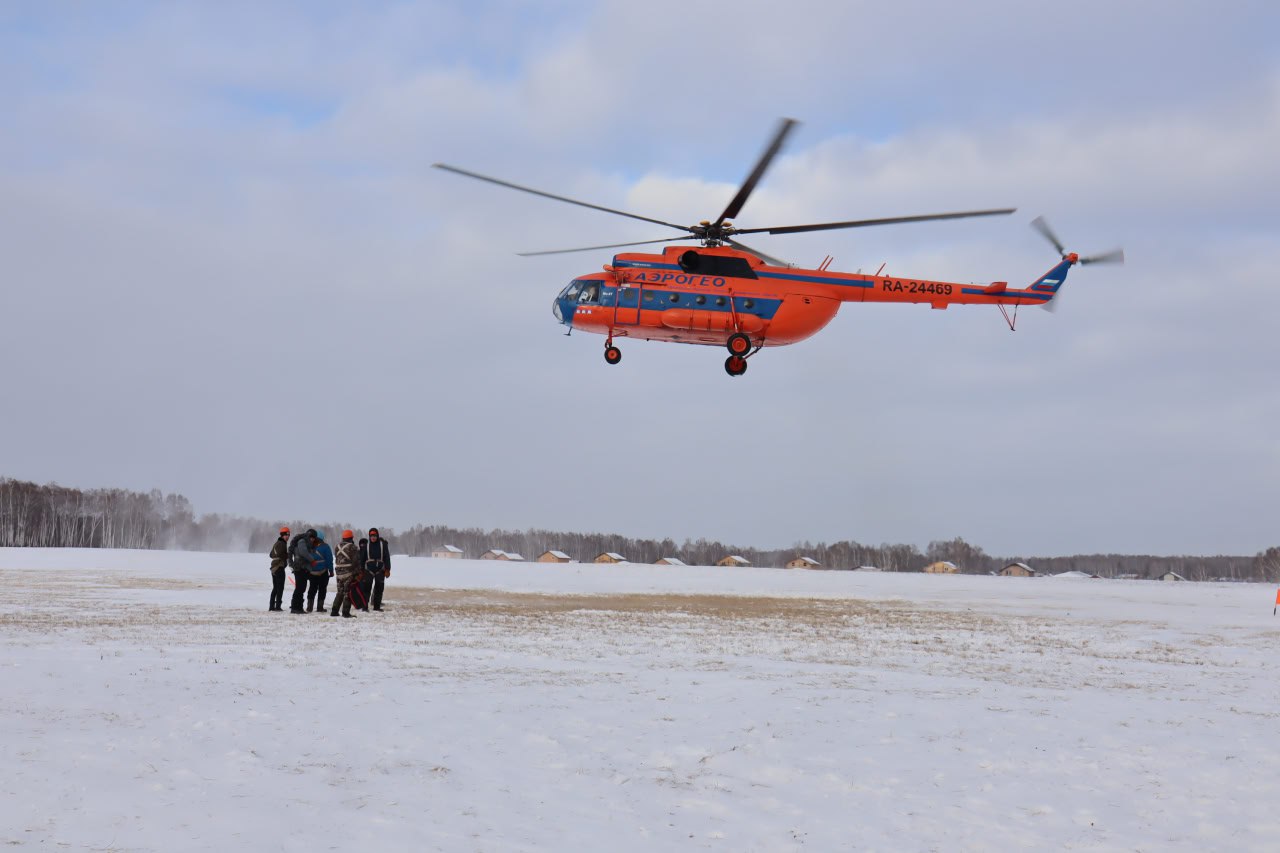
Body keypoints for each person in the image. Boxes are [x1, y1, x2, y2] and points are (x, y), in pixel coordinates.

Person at [288, 528, 321, 614]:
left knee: (301, 588)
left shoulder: (307, 543)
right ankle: (295, 608)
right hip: (299, 568)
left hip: (303, 568)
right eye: (312, 537)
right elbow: (303, 552)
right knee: (300, 588)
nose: (313, 539)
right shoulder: (302, 541)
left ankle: (298, 607)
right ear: (308, 536)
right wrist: (312, 560)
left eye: (314, 538)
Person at [330, 529, 360, 618]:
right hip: (348, 573)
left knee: (340, 592)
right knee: (348, 593)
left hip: (339, 573)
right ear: (351, 537)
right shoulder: (353, 547)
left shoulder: (337, 546)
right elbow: (356, 562)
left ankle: (334, 611)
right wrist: (357, 573)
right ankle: (345, 612)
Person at [361, 527, 391, 611]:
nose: (373, 537)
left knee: (379, 589)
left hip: (380, 570)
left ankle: (376, 607)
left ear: (377, 536)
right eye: (371, 536)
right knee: (366, 589)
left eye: (374, 535)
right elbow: (362, 559)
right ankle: (365, 607)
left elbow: (387, 558)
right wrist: (361, 571)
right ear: (369, 536)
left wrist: (387, 569)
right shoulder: (366, 546)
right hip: (368, 570)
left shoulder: (383, 545)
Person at [307, 531, 333, 613]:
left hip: (312, 572)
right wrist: (331, 570)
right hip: (323, 572)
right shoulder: (326, 547)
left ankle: (309, 607)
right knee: (322, 589)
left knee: (312, 589)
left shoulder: (310, 547)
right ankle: (320, 607)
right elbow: (329, 560)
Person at [267, 526, 290, 611]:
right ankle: (277, 607)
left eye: (288, 535)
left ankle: (271, 606)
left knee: (275, 588)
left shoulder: (277, 543)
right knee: (280, 588)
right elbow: (281, 554)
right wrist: (288, 555)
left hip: (274, 568)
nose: (287, 537)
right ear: (282, 535)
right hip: (279, 567)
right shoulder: (282, 543)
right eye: (286, 535)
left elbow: (271, 554)